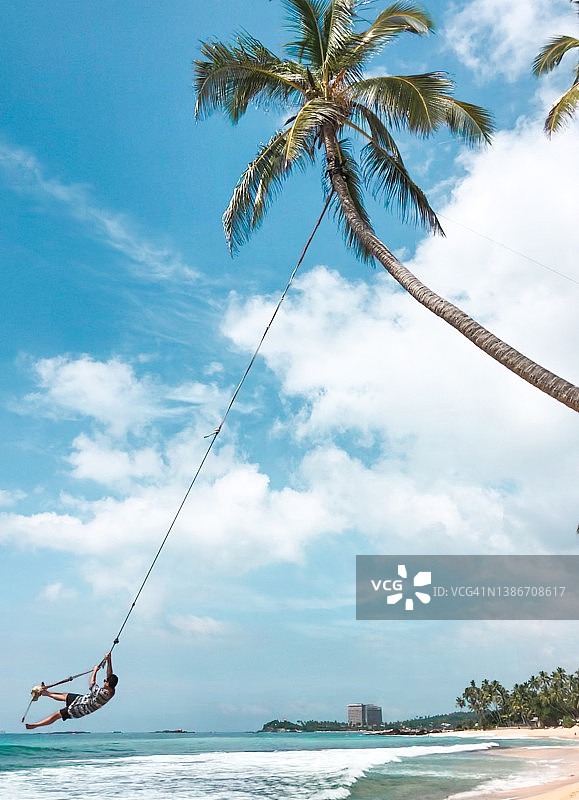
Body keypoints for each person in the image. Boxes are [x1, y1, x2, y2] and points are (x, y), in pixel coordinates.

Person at [25, 652, 117, 729]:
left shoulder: (102, 694)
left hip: (80, 708)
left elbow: (92, 683)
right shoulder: (112, 690)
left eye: (105, 681)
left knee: (57, 715)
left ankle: (35, 725)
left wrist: (95, 671)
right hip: (84, 699)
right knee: (65, 696)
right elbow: (110, 674)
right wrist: (109, 660)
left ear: (108, 684)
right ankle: (46, 693)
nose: (104, 680)